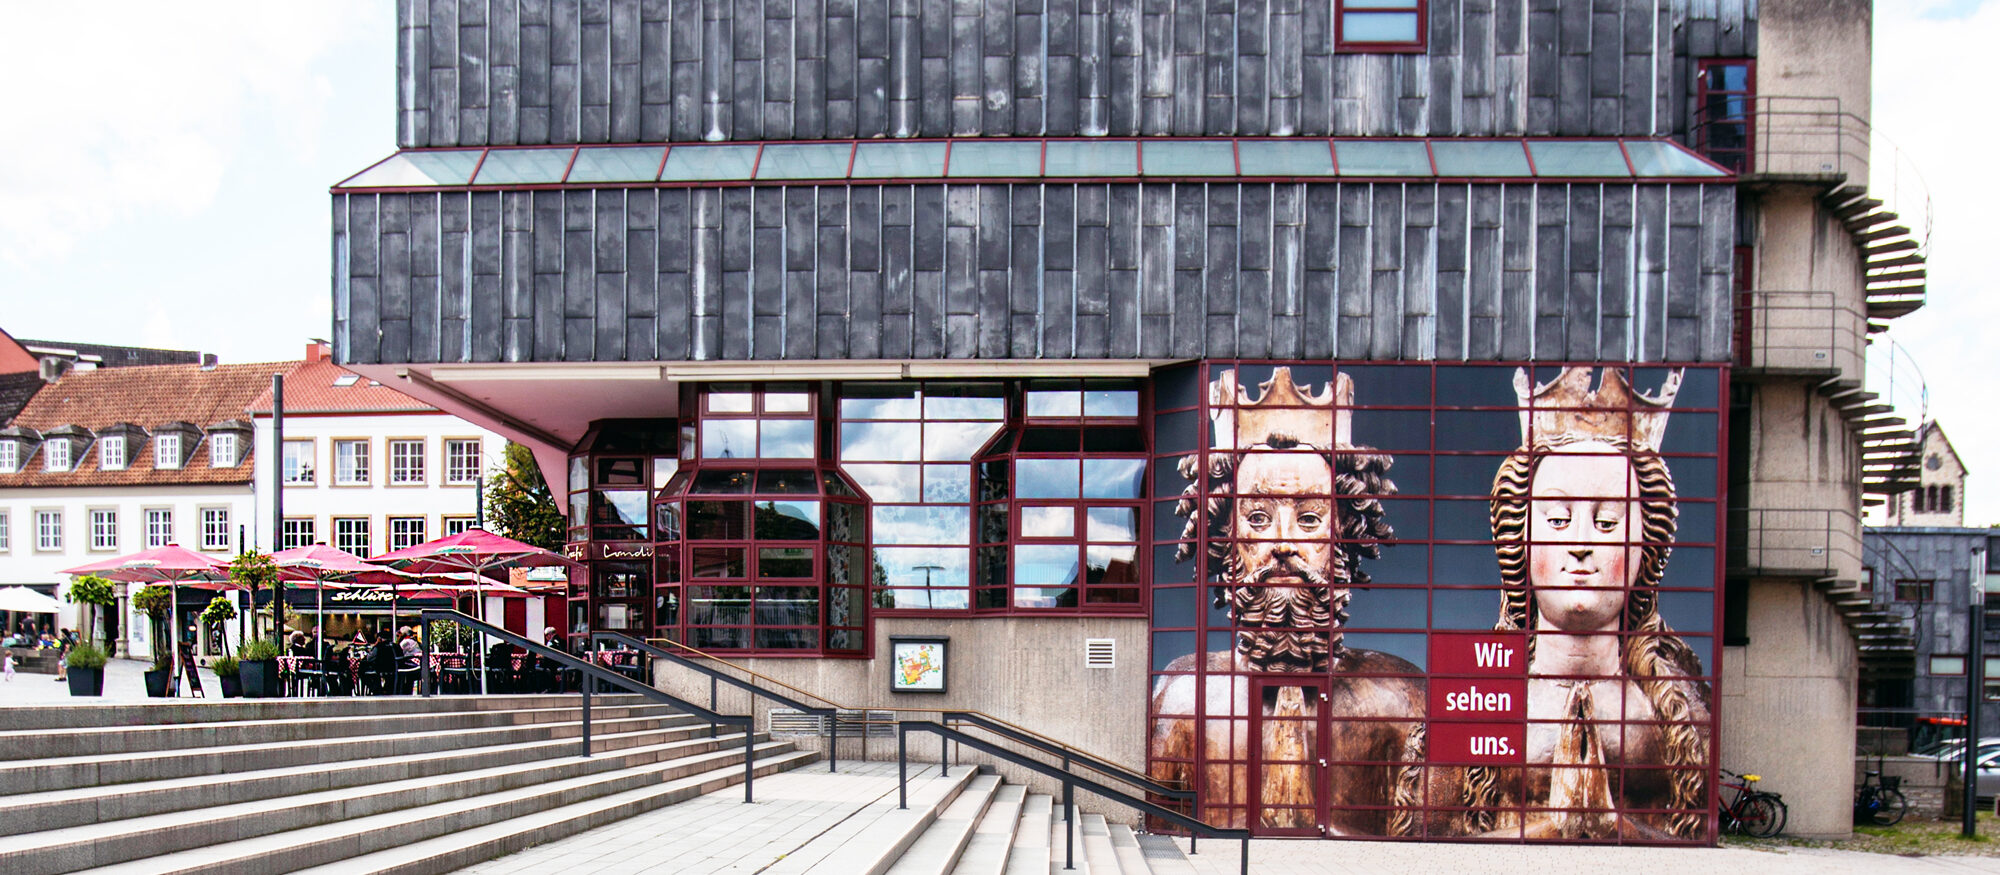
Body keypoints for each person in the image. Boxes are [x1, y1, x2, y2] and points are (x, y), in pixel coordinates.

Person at [1431, 367, 1711, 841]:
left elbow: (1695, 845)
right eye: (1558, 520)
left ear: (1648, 549)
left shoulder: (1681, 712)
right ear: (1518, 540)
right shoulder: (1472, 699)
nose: (1581, 543)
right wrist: (1545, 830)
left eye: (1607, 523)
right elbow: (1435, 839)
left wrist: (1617, 829)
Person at [1149, 367, 1425, 836]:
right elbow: (1160, 836)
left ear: (1344, 535)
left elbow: (1428, 847)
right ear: (1224, 539)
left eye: (1309, 519)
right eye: (1258, 518)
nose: (1283, 544)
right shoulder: (1183, 695)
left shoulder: (1401, 696)